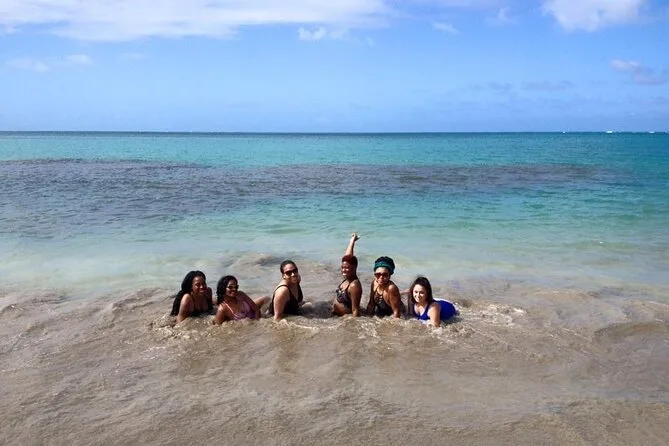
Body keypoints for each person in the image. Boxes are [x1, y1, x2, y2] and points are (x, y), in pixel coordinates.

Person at [332, 233, 363, 317]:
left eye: (347, 268)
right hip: (336, 316)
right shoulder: (347, 278)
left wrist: (353, 324)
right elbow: (347, 256)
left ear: (354, 268)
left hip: (344, 319)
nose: (343, 270)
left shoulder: (354, 285)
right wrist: (352, 241)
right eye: (342, 267)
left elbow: (355, 310)